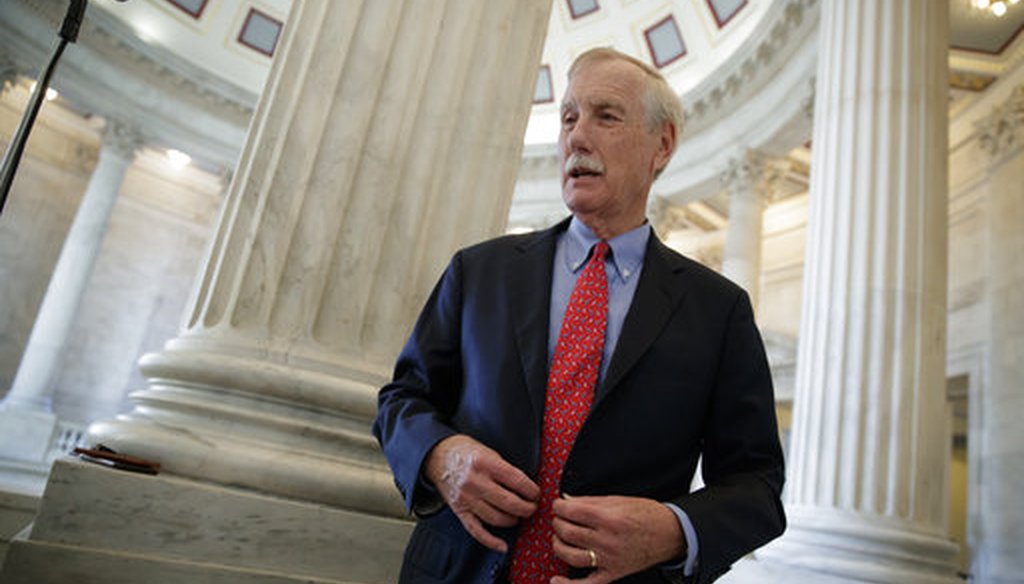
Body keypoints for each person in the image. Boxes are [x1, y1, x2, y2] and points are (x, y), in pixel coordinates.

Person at [373, 47, 785, 584]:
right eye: (569, 117)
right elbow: (402, 399)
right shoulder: (479, 271)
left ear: (662, 145)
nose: (577, 137)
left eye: (605, 116)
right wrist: (439, 455)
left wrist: (672, 528)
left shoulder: (719, 310)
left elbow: (757, 486)